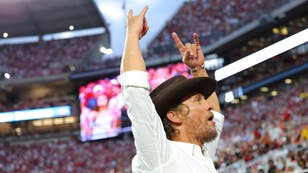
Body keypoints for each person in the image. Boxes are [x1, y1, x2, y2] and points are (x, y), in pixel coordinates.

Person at [119, 6, 224, 172]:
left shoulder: (200, 152)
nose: (208, 105)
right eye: (198, 100)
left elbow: (215, 116)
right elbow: (134, 92)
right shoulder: (161, 156)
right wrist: (132, 35)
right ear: (174, 116)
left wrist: (198, 69)